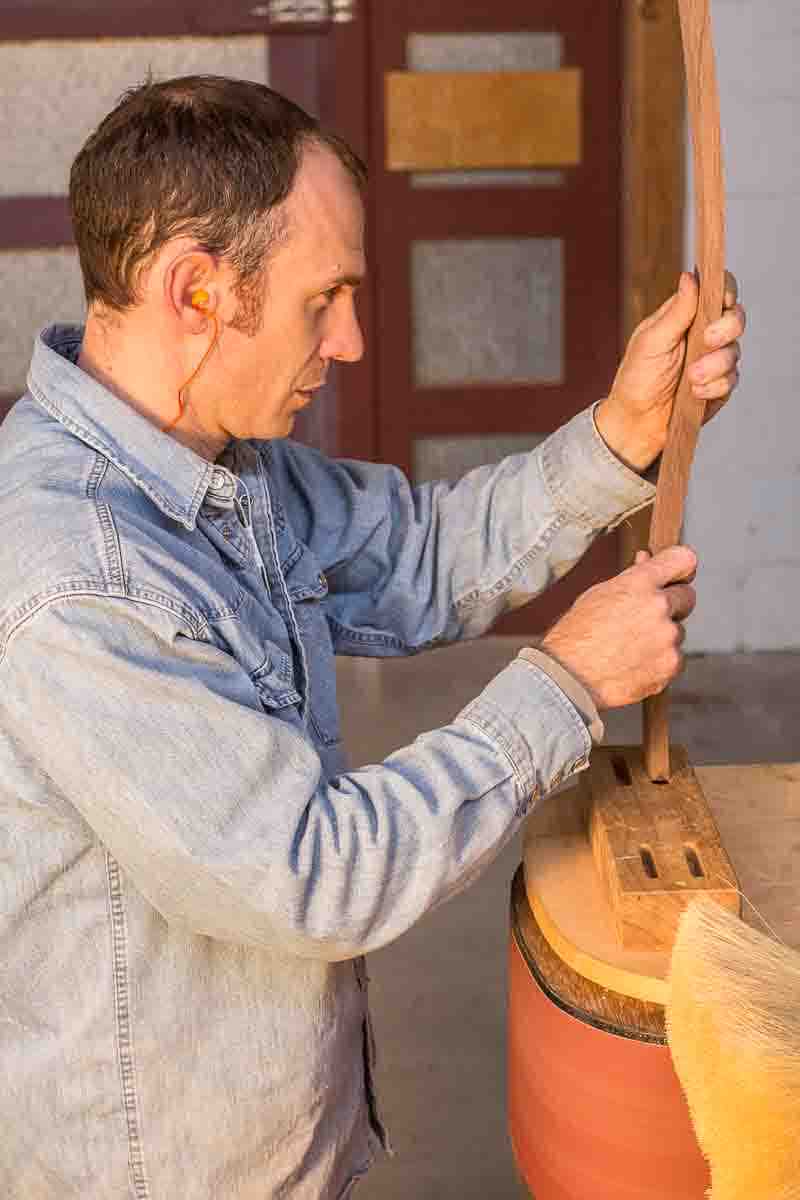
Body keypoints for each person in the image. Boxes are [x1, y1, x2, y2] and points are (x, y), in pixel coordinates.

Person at [0, 76, 744, 1199]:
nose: (348, 339)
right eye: (324, 297)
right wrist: (564, 682)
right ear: (195, 288)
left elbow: (417, 555)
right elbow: (307, 871)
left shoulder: (217, 465)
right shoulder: (83, 580)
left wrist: (619, 433)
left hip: (278, 1149)